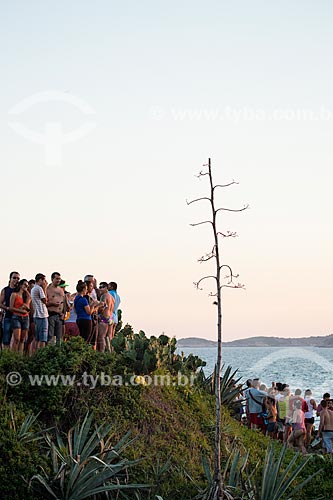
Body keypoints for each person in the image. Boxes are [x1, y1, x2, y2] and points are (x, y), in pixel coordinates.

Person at [9, 279, 31, 353]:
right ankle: (13, 356)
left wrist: (26, 291)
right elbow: (11, 308)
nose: (26, 286)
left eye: (27, 285)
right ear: (20, 285)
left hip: (25, 317)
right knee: (17, 339)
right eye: (25, 285)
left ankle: (20, 356)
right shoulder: (14, 294)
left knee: (22, 339)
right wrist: (21, 310)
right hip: (16, 317)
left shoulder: (26, 296)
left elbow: (28, 307)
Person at [0, 271, 20, 348]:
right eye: (14, 278)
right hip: (8, 316)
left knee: (17, 339)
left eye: (18, 278)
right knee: (6, 339)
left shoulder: (19, 291)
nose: (16, 280)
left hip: (18, 317)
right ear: (10, 278)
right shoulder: (5, 290)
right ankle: (7, 357)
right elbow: (0, 303)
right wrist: (7, 308)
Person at [47, 272, 65, 346]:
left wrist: (63, 313)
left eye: (59, 279)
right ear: (52, 279)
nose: (58, 280)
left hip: (59, 315)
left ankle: (58, 352)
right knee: (51, 335)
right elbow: (45, 302)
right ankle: (50, 351)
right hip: (51, 314)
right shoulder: (48, 289)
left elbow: (63, 302)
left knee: (59, 336)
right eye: (57, 279)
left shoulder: (61, 290)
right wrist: (52, 304)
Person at [31, 273, 49, 349]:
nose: (45, 282)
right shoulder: (39, 288)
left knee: (37, 337)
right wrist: (45, 288)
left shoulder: (33, 288)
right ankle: (41, 354)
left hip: (37, 314)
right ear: (40, 280)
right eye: (44, 280)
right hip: (41, 315)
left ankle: (35, 353)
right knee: (43, 338)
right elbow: (45, 300)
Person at [96, 282, 112, 352]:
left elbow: (102, 307)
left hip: (104, 318)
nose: (100, 289)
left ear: (106, 288)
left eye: (102, 287)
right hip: (110, 318)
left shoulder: (104, 296)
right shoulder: (111, 297)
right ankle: (109, 353)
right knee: (108, 338)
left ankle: (101, 353)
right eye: (99, 287)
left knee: (101, 337)